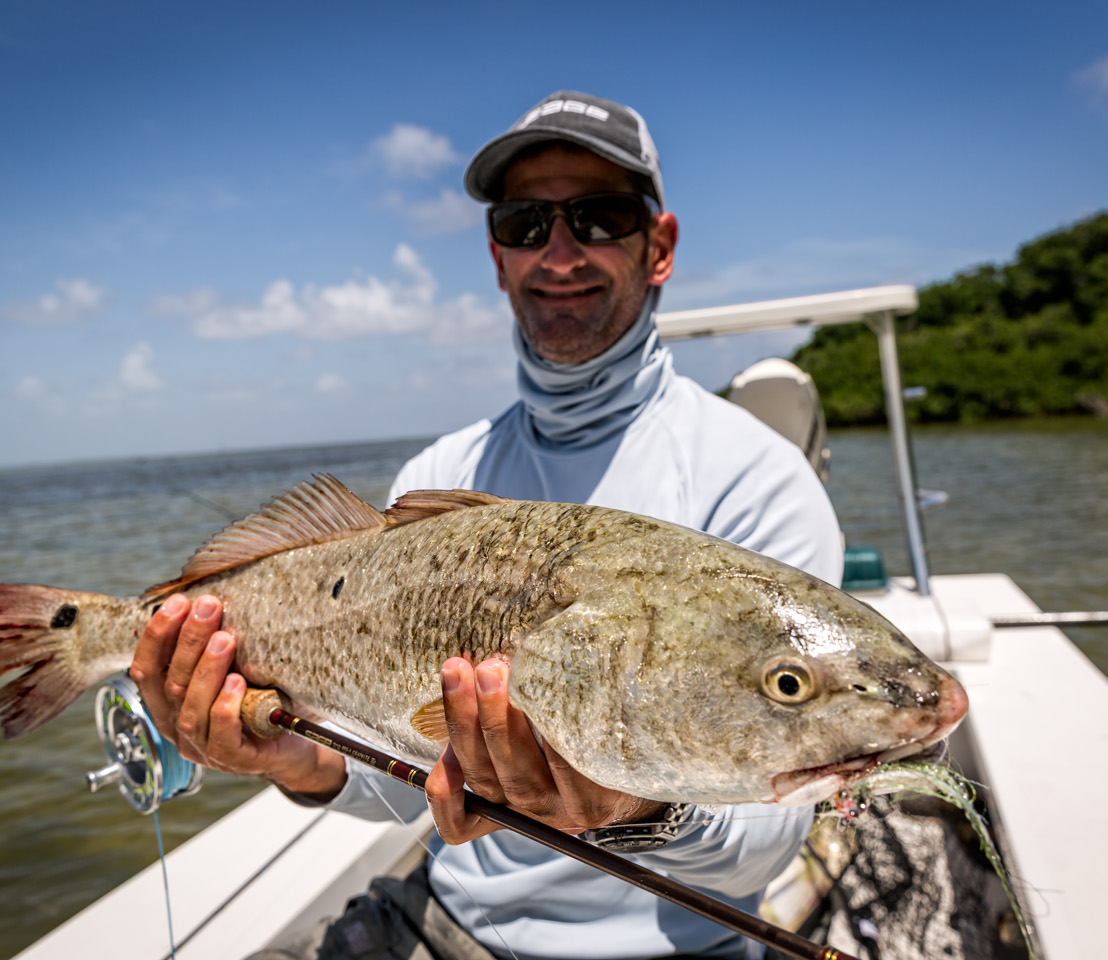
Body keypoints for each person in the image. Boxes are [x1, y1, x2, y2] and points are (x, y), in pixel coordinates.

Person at [130, 90, 844, 960]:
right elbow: (401, 771)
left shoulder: (759, 481)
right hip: (443, 923)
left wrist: (640, 812)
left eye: (601, 216)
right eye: (524, 222)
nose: (560, 251)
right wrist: (292, 762)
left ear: (658, 247)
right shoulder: (439, 477)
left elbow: (771, 839)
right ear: (498, 258)